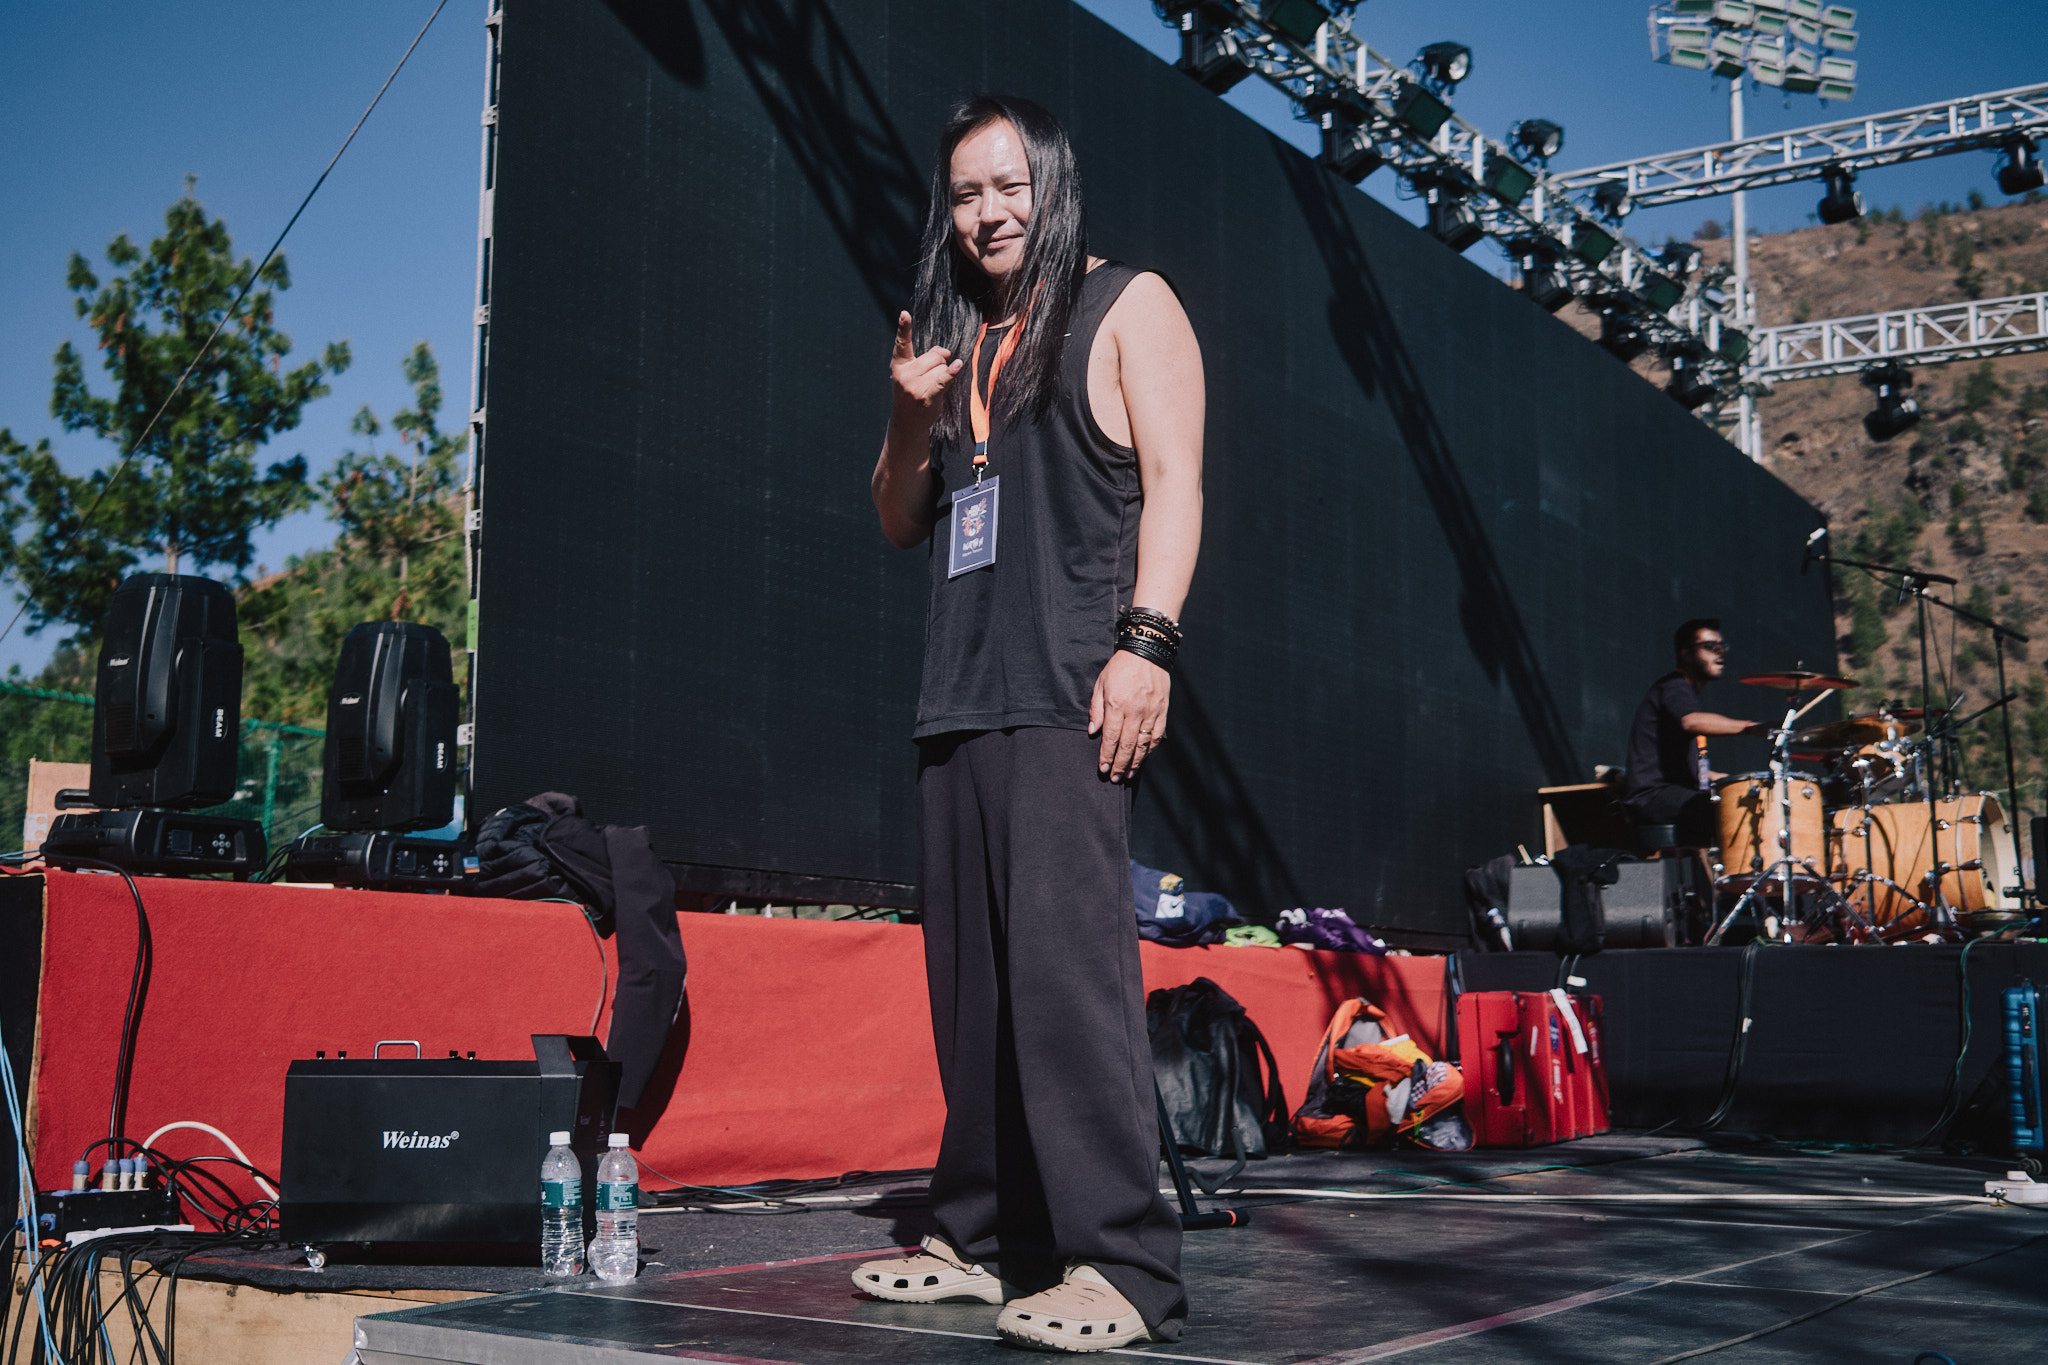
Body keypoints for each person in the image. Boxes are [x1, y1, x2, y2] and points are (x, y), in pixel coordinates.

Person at [855, 94, 1204, 1352]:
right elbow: (899, 519)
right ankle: (981, 1235)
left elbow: (1175, 481)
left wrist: (1145, 645)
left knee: (1066, 986)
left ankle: (1124, 1268)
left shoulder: (1126, 303)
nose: (987, 213)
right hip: (958, 697)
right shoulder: (955, 344)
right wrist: (908, 411)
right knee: (974, 996)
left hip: (1068, 691)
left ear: (1050, 184)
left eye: (1007, 186)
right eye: (965, 195)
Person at [1622, 618, 1765, 846]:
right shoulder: (1675, 686)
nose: (1720, 652)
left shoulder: (1683, 691)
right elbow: (1691, 722)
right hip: (1652, 796)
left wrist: (1727, 779)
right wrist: (1752, 727)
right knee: (1730, 809)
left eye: (1722, 646)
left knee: (1739, 796)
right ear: (1686, 654)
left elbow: (1683, 768)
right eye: (1710, 646)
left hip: (1672, 791)